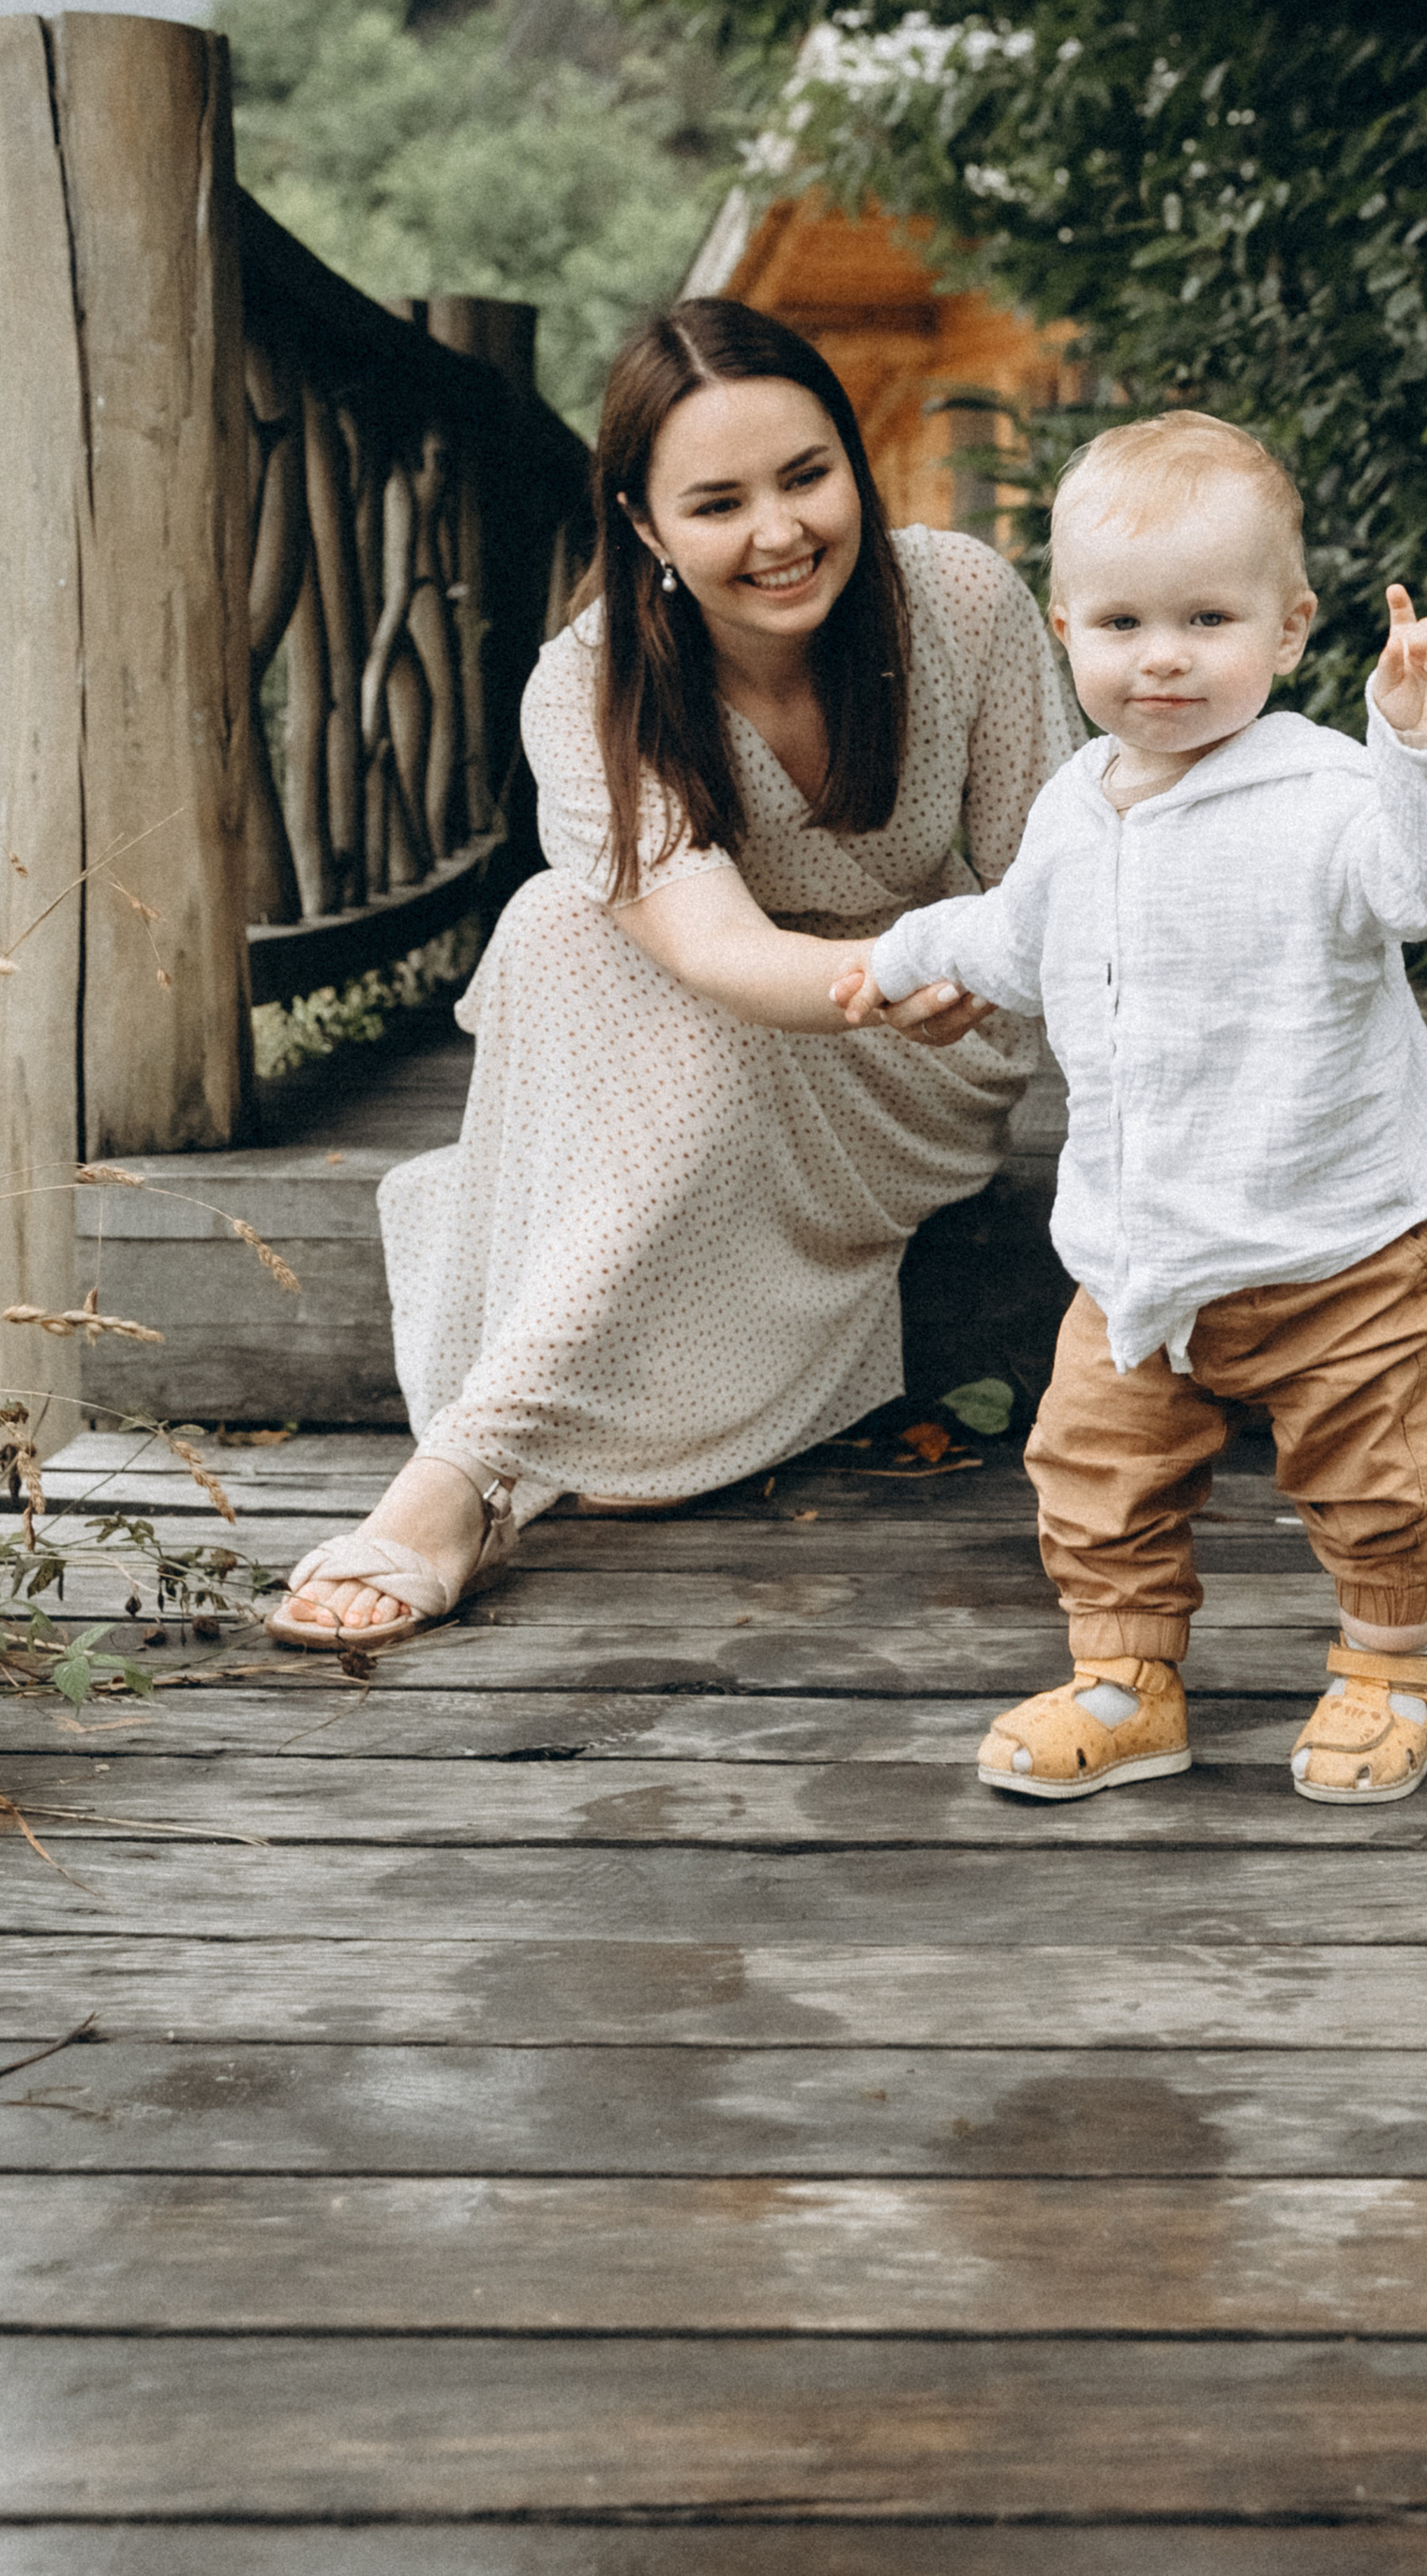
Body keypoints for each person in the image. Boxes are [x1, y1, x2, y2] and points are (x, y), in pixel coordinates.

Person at [268, 298, 1077, 1646]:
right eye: (718, 503)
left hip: (932, 1049)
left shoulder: (960, 603)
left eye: (809, 477)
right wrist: (878, 967)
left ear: (853, 466)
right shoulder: (587, 691)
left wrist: (964, 971)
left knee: (628, 989)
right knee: (554, 929)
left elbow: (1049, 881)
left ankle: (460, 1479)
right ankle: (477, 1466)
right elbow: (715, 951)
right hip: (761, 1007)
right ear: (644, 527)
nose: (780, 533)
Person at [842, 409, 1427, 1804]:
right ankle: (1125, 1682)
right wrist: (904, 955)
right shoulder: (1077, 804)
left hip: (1342, 1239)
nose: (1164, 657)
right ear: (1065, 626)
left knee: (1376, 1476)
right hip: (1141, 1250)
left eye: (1209, 617)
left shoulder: (1329, 793)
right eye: (1125, 621)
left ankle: (1388, 1669)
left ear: (1290, 628)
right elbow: (1020, 937)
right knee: (1094, 1467)